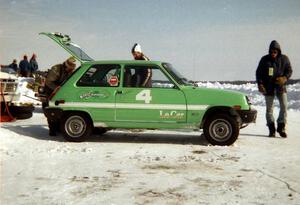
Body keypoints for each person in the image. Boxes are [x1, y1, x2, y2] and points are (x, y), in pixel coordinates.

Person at [256, 40, 293, 138]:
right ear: (269, 51)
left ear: (278, 51)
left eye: (275, 52)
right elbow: (258, 73)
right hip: (268, 88)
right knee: (269, 110)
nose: (273, 54)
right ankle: (271, 129)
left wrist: (284, 78)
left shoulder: (284, 59)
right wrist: (260, 84)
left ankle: (281, 127)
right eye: (271, 52)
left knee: (284, 106)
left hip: (281, 87)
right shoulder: (264, 60)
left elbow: (289, 70)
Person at [44, 56, 76, 136]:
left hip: (62, 91)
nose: (70, 70)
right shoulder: (56, 69)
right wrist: (57, 89)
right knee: (52, 111)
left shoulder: (71, 71)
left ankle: (59, 128)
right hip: (51, 90)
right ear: (66, 66)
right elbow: (49, 82)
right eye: (69, 68)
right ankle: (52, 130)